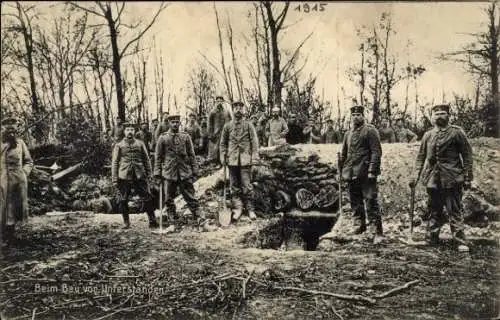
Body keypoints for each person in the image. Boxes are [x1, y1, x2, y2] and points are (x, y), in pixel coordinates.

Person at [409, 104, 473, 252]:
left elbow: (467, 155)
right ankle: (432, 238)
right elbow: (420, 158)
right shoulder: (428, 135)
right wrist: (415, 176)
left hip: (452, 178)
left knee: (454, 210)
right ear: (432, 117)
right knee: (434, 209)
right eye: (436, 114)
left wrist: (468, 177)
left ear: (448, 116)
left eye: (443, 113)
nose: (439, 116)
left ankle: (460, 241)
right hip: (433, 178)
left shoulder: (457, 133)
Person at [340, 106, 384, 244]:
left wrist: (372, 170)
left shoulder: (370, 131)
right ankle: (359, 225)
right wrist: (342, 172)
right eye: (353, 115)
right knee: (355, 200)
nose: (356, 117)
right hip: (352, 173)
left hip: (366, 172)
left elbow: (376, 152)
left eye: (359, 114)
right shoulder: (348, 134)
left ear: (363, 116)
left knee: (370, 200)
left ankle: (376, 230)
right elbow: (344, 154)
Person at [154, 114, 204, 222]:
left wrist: (195, 170)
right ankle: (172, 215)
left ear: (179, 123)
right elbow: (158, 157)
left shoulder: (185, 137)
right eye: (173, 122)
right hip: (169, 172)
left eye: (177, 122)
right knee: (168, 197)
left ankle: (197, 214)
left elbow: (191, 154)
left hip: (184, 171)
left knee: (189, 195)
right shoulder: (163, 138)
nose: (175, 124)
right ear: (169, 123)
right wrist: (157, 174)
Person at [111, 122, 158, 229]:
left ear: (135, 131)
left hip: (139, 175)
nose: (130, 132)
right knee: (123, 199)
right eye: (127, 130)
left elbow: (146, 160)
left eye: (132, 130)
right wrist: (114, 179)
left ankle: (152, 220)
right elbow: (114, 162)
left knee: (147, 197)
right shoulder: (119, 145)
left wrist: (150, 174)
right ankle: (126, 223)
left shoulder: (140, 144)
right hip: (124, 176)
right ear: (124, 131)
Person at [220, 101, 260, 221]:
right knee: (234, 186)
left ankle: (250, 209)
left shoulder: (249, 125)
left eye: (240, 108)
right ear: (233, 110)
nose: (238, 110)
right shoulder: (227, 126)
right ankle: (237, 209)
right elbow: (222, 143)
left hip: (245, 160)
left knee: (247, 186)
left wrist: (254, 157)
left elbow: (255, 143)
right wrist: (223, 156)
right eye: (236, 107)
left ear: (243, 111)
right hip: (232, 160)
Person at [1, 116, 33, 245]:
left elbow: (29, 161)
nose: (10, 132)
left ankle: (11, 236)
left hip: (18, 180)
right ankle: (3, 237)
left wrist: (24, 173)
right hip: (2, 180)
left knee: (14, 208)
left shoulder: (20, 143)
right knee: (3, 208)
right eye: (8, 130)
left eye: (13, 130)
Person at [207, 96, 232, 166]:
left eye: (221, 101)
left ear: (223, 102)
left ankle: (224, 161)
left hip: (225, 132)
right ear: (215, 102)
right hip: (216, 133)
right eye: (218, 101)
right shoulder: (212, 112)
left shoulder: (226, 111)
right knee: (215, 148)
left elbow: (230, 121)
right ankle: (215, 162)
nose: (219, 102)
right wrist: (210, 134)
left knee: (224, 147)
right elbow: (209, 124)